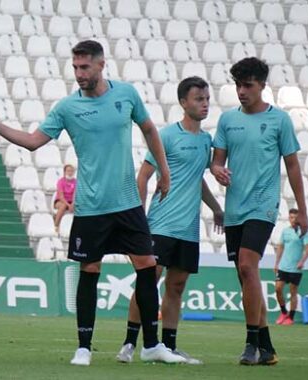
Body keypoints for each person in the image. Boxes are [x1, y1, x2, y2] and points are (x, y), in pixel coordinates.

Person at [0, 40, 186, 366]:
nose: (79, 73)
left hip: (126, 203)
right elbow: (32, 142)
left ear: (100, 64)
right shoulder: (67, 107)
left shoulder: (126, 94)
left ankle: (151, 345)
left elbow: (150, 129)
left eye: (84, 67)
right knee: (89, 270)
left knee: (147, 267)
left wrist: (164, 172)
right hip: (90, 206)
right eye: (75, 68)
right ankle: (84, 346)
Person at [117, 76, 224, 365]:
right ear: (183, 103)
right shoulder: (165, 136)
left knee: (176, 287)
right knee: (148, 281)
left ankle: (170, 346)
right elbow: (143, 175)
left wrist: (215, 207)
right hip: (160, 224)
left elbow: (196, 178)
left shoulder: (206, 141)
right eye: (198, 99)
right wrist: (137, 215)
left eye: (206, 99)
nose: (204, 104)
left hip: (188, 229)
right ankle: (129, 343)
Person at [210, 57, 308, 365]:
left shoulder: (280, 120)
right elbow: (217, 161)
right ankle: (266, 347)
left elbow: (292, 166)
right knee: (246, 277)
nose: (242, 91)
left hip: (263, 205)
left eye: (248, 85)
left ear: (262, 86)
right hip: (235, 208)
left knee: (247, 267)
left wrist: (302, 210)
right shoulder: (227, 120)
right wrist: (217, 171)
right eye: (238, 85)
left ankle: (251, 343)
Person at [274, 208, 308, 325]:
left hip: (296, 268)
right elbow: (280, 247)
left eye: (295, 218)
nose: (293, 220)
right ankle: (284, 312)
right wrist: (276, 263)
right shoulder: (285, 231)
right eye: (291, 217)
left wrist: (302, 261)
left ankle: (290, 317)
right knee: (278, 288)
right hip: (283, 266)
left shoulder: (303, 232)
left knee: (293, 292)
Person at [54, 164, 76, 232]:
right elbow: (61, 196)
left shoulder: (76, 181)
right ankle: (56, 225)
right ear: (64, 172)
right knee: (63, 206)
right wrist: (68, 205)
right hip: (61, 201)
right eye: (68, 171)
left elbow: (75, 194)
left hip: (71, 201)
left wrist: (72, 204)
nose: (70, 173)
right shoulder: (61, 181)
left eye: (71, 171)